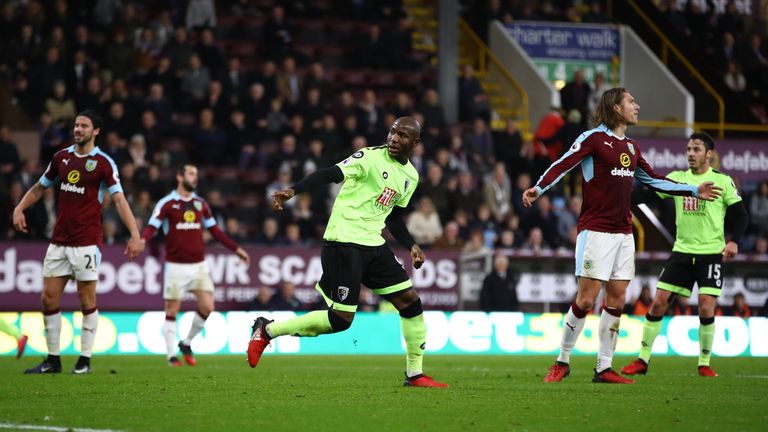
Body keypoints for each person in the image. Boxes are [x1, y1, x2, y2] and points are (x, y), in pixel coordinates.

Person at [522, 88, 722, 384]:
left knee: (616, 299)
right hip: (596, 230)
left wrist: (694, 190)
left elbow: (654, 181)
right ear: (615, 107)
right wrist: (539, 188)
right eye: (631, 102)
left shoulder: (631, 147)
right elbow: (564, 163)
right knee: (586, 300)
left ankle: (604, 367)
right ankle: (562, 361)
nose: (636, 106)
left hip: (624, 233)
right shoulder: (593, 139)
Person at [248, 117, 448, 388]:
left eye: (402, 135)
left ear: (415, 143)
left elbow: (393, 217)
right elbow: (329, 174)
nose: (393, 138)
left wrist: (412, 245)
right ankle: (267, 330)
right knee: (341, 320)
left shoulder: (410, 177)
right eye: (392, 132)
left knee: (411, 304)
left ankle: (415, 374)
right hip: (343, 241)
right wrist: (294, 191)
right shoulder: (368, 157)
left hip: (373, 244)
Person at [13, 109, 143, 374]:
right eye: (76, 125)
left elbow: (119, 200)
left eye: (84, 126)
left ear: (96, 131)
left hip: (86, 242)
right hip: (59, 241)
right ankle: (53, 360)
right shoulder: (61, 158)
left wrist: (134, 234)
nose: (78, 129)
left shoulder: (104, 163)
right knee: (48, 299)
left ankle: (84, 360)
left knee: (86, 301)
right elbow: (40, 187)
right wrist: (19, 208)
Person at [621, 133, 747, 378]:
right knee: (658, 302)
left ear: (709, 154)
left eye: (696, 149)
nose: (690, 153)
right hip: (681, 252)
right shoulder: (677, 179)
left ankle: (704, 363)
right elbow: (649, 196)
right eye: (689, 149)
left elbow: (741, 215)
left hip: (710, 254)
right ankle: (642, 360)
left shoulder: (722, 181)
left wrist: (734, 242)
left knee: (706, 306)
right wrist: (618, 194)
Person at [141, 163, 250, 367]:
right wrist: (141, 241)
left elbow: (215, 231)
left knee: (207, 306)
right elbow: (151, 227)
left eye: (196, 174)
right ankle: (171, 356)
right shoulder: (166, 203)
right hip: (175, 266)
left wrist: (236, 249)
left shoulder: (201, 204)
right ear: (179, 177)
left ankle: (187, 342)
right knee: (172, 309)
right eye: (191, 174)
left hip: (198, 265)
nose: (195, 178)